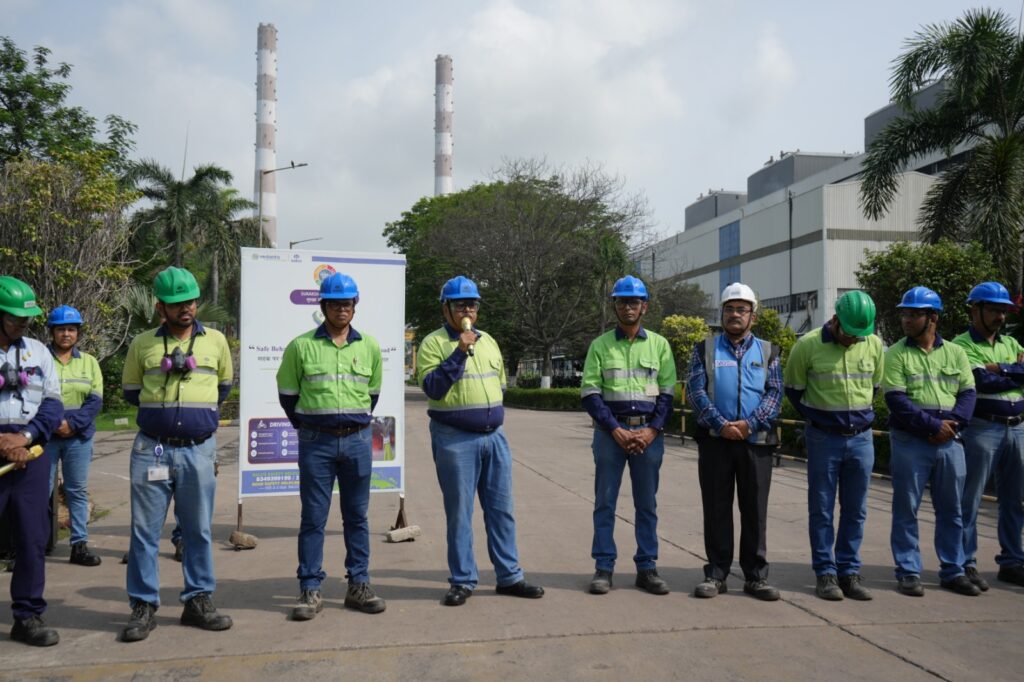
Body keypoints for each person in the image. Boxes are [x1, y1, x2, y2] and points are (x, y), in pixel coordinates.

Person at [119, 267, 234, 641]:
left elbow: (224, 386)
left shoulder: (216, 341)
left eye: (190, 301)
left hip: (198, 450)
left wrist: (193, 416)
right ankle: (143, 605)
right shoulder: (143, 344)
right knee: (144, 531)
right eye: (176, 304)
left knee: (198, 530)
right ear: (160, 307)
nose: (185, 309)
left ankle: (198, 600)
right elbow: (132, 391)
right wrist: (165, 416)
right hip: (152, 448)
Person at [417, 275, 544, 606]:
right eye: (460, 305)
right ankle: (462, 580)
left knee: (502, 509)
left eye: (472, 305)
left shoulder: (488, 341)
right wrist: (459, 352)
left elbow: (499, 385)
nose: (467, 311)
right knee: (460, 512)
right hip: (455, 438)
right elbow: (433, 388)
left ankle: (509, 576)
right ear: (445, 309)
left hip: (494, 437)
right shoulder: (432, 343)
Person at [277, 272, 386, 620]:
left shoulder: (369, 346)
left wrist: (349, 423)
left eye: (347, 303)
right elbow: (288, 396)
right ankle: (310, 588)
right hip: (317, 442)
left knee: (357, 516)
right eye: (335, 304)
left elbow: (372, 394)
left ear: (355, 306)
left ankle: (359, 585)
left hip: (357, 440)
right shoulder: (301, 346)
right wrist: (313, 426)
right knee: (313, 518)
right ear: (323, 306)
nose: (342, 309)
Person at [580, 275, 676, 595]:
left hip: (649, 435)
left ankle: (647, 567)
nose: (628, 307)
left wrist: (652, 430)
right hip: (610, 435)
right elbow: (590, 394)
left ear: (644, 306)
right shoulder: (600, 345)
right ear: (615, 305)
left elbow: (667, 394)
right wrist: (616, 429)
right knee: (605, 502)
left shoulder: (660, 345)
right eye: (622, 301)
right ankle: (603, 567)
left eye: (634, 302)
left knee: (646, 504)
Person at [687, 282, 783, 601]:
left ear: (753, 315)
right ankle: (716, 574)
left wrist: (749, 424)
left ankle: (755, 576)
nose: (735, 314)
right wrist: (722, 424)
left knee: (754, 510)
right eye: (729, 309)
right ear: (722, 314)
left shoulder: (769, 351)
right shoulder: (705, 349)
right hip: (716, 441)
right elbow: (696, 392)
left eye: (742, 309)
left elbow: (774, 393)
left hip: (756, 443)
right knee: (716, 508)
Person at [784, 291, 882, 601]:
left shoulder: (873, 344)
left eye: (858, 335)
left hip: (862, 439)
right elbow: (794, 390)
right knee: (822, 508)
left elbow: (875, 386)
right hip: (824, 438)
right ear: (835, 319)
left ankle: (849, 571)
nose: (853, 339)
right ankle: (825, 572)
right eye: (849, 333)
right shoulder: (808, 345)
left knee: (856, 509)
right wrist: (822, 419)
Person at [883, 286, 978, 597]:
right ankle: (909, 571)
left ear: (933, 318)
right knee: (906, 508)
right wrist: (933, 427)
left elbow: (968, 394)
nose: (906, 320)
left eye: (914, 314)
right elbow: (896, 400)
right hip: (911, 440)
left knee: (952, 509)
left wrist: (952, 426)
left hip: (950, 441)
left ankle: (953, 570)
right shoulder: (895, 353)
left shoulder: (956, 353)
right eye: (904, 314)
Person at [0, 276, 63, 646]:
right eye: (14, 318)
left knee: (32, 537)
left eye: (27, 318)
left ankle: (27, 616)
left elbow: (53, 403)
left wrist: (24, 439)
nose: (23, 324)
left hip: (30, 451)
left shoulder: (38, 352)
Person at [952, 282, 1024, 590]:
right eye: (994, 310)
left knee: (1014, 500)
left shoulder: (1011, 342)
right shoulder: (961, 345)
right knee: (970, 498)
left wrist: (999, 368)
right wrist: (1012, 372)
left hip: (1017, 427)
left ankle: (1012, 561)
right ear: (975, 310)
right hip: (982, 427)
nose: (1000, 317)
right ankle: (964, 562)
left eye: (1003, 311)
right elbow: (981, 380)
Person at [44, 305, 103, 567]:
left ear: (77, 333)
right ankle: (35, 546)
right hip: (45, 436)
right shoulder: (40, 360)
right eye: (61, 329)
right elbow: (33, 396)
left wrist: (72, 424)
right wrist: (53, 423)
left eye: (71, 329)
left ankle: (79, 545)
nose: (66, 334)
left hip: (78, 436)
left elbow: (95, 400)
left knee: (76, 491)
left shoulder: (89, 362)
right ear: (52, 332)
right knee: (40, 491)